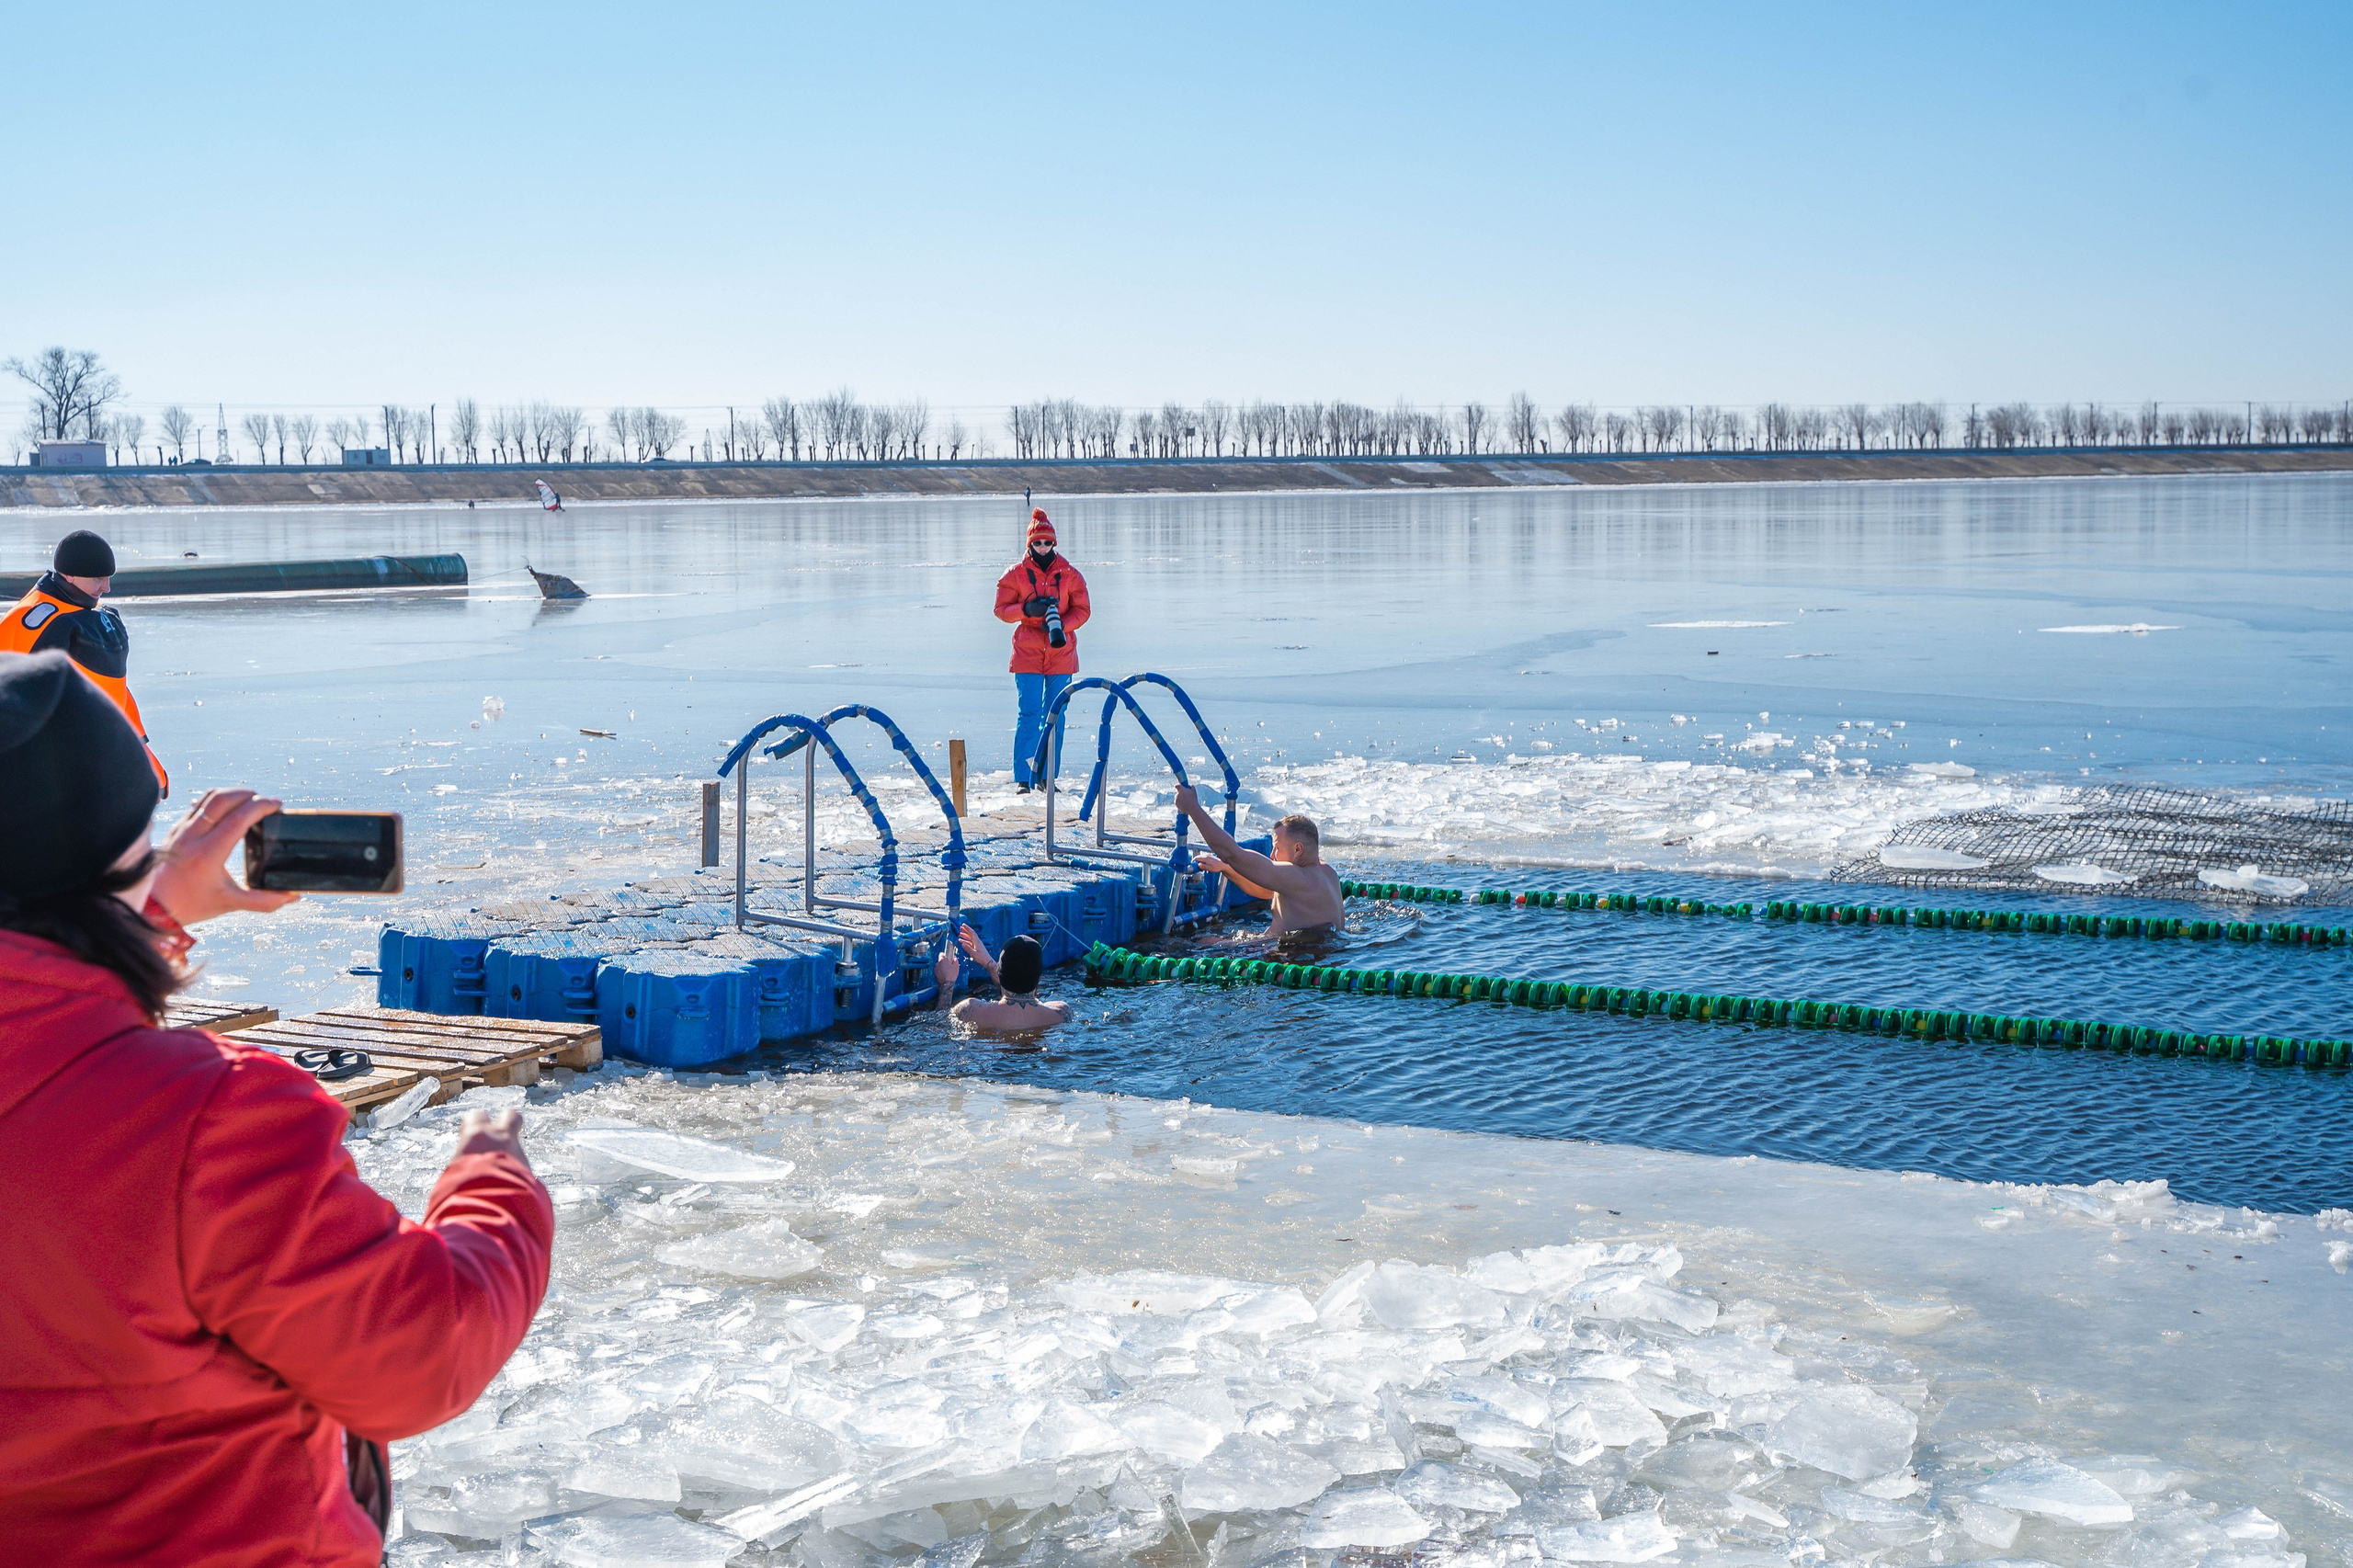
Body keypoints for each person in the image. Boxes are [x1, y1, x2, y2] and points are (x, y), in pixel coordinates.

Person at [0, 650, 553, 1563]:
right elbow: (420, 1355)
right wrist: (495, 1175)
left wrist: (148, 901)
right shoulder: (206, 1119)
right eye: (141, 844)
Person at [0, 528, 168, 795]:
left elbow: (114, 693)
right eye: (99, 578)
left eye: (109, 578)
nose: (107, 588)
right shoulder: (35, 622)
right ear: (69, 575)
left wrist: (141, 755)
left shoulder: (93, 616)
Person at [994, 509, 1090, 793]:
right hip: (1027, 653)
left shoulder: (1070, 574)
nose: (1043, 548)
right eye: (1037, 543)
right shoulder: (1016, 574)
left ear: (1054, 543)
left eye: (1047, 543)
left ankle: (1047, 777)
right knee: (1029, 713)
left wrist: (1060, 624)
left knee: (1055, 715)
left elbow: (1083, 610)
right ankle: (1024, 777)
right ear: (1029, 544)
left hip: (1061, 652)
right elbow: (1000, 609)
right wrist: (1026, 610)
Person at [1174, 784, 1346, 940]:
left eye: (1277, 848)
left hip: (1293, 961)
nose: (1272, 854)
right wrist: (1227, 868)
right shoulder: (1327, 872)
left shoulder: (1299, 877)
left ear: (1298, 849)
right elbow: (1267, 891)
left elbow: (1231, 853)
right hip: (1318, 961)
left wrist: (1192, 808)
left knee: (1201, 942)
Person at [931, 923, 1070, 1031]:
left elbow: (939, 1028)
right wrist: (990, 965)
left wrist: (947, 984)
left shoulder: (971, 1011)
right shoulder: (1061, 1013)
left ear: (1001, 973)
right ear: (1039, 978)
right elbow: (1024, 1001)